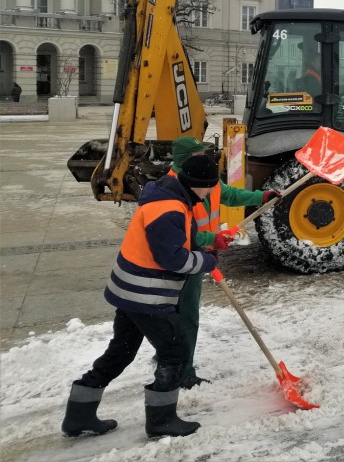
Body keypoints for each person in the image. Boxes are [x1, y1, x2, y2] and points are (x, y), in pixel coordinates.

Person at [61, 154, 222, 439]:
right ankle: (161, 421)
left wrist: (201, 248)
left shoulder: (170, 195)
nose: (211, 192)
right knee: (174, 352)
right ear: (196, 184)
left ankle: (79, 415)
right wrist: (206, 263)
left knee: (120, 351)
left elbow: (178, 241)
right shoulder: (171, 208)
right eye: (208, 187)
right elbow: (172, 259)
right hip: (146, 294)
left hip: (130, 290)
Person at [169, 136, 280, 389]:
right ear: (184, 161)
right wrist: (213, 238)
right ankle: (182, 371)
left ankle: (169, 357)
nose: (204, 161)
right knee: (186, 316)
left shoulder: (203, 178)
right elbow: (183, 234)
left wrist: (261, 197)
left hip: (200, 256)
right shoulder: (174, 188)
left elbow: (229, 194)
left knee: (176, 314)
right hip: (183, 259)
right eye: (197, 156)